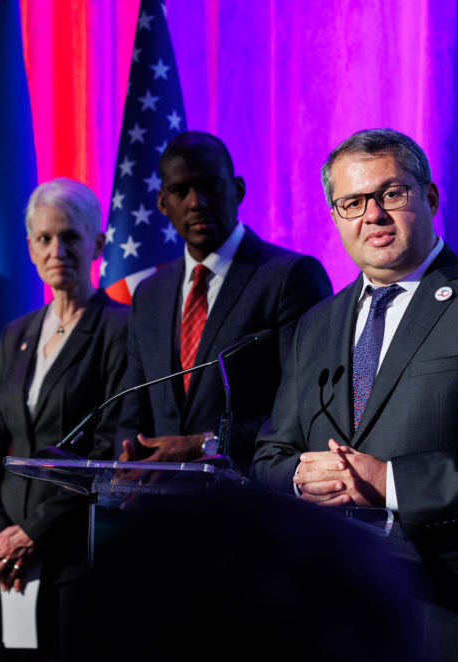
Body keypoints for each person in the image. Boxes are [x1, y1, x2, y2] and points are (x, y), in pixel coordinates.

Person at [251, 128, 458, 662]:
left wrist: (392, 482)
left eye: (391, 193)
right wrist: (302, 478)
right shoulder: (317, 325)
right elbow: (269, 457)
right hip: (336, 624)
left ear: (430, 197)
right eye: (353, 202)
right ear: (336, 217)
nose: (373, 215)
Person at [0, 178, 129, 662]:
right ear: (30, 248)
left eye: (70, 237)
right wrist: (0, 535)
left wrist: (32, 535)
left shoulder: (121, 328)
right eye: (44, 238)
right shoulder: (15, 333)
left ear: (97, 245)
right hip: (7, 561)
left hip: (73, 558)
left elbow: (105, 451)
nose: (56, 250)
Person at [116, 130, 332, 474]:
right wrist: (128, 458)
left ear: (238, 190)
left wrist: (208, 443)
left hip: (248, 493)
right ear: (162, 203)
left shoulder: (290, 276)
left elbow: (305, 404)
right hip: (159, 499)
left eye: (210, 186)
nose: (196, 202)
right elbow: (133, 409)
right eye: (180, 191)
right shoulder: (149, 293)